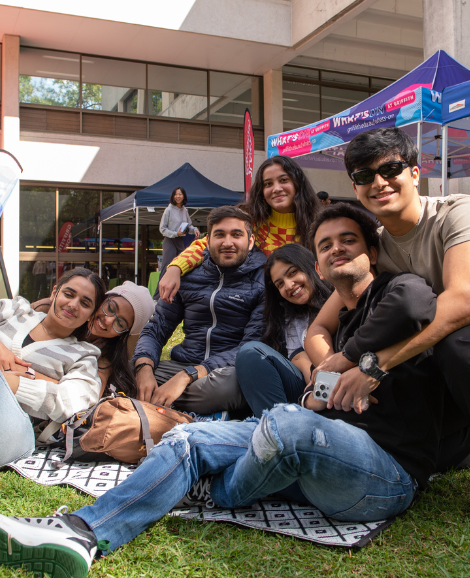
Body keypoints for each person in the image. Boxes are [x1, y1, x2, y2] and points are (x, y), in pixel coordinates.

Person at [0, 204, 448, 578]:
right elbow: (160, 329)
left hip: (385, 472)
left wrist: (356, 362)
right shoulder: (328, 322)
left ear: (373, 250)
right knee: (188, 438)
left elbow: (414, 305)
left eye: (347, 241)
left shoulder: (396, 287)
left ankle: (215, 489)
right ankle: (81, 531)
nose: (336, 250)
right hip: (314, 447)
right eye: (326, 245)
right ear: (319, 262)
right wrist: (145, 364)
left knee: (283, 423)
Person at [305, 128, 470, 467]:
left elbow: (462, 302)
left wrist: (370, 364)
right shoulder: (374, 248)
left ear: (414, 172)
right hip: (438, 379)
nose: (379, 182)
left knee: (454, 342)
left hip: (461, 344)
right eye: (365, 175)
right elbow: (319, 327)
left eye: (391, 170)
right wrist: (333, 371)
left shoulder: (455, 214)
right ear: (355, 188)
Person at [133, 205, 266, 415]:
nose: (228, 242)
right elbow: (156, 328)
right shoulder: (187, 276)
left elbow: (252, 345)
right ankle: (169, 405)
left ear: (250, 242)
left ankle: (158, 405)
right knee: (129, 373)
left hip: (225, 372)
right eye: (219, 235)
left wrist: (188, 376)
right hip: (182, 364)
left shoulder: (263, 281)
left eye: (236, 235)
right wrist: (144, 368)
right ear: (208, 241)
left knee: (230, 388)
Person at [158, 155, 320, 303]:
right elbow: (206, 245)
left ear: (297, 183)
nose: (276, 188)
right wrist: (175, 268)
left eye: (283, 180)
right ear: (262, 191)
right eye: (268, 184)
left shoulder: (318, 224)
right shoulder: (249, 220)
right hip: (260, 313)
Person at [0, 268, 105, 467]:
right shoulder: (17, 310)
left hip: (9, 427)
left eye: (85, 303)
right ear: (54, 292)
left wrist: (13, 383)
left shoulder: (83, 356)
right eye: (68, 294)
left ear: (91, 316)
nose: (73, 305)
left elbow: (70, 402)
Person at [235, 244, 332, 417]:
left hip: (345, 384)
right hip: (311, 387)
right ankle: (276, 427)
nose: (288, 285)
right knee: (250, 353)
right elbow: (297, 355)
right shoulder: (293, 315)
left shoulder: (339, 300)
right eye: (280, 284)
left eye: (292, 273)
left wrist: (326, 384)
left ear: (312, 266)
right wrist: (315, 385)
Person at [33, 281, 155, 398]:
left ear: (123, 334)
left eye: (120, 323)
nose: (108, 320)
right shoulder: (52, 308)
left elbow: (87, 396)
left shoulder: (104, 359)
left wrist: (27, 373)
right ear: (102, 300)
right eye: (110, 308)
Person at [156, 187, 200, 297]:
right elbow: (162, 229)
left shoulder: (184, 210)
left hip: (180, 240)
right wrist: (175, 234)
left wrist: (195, 229)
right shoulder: (169, 210)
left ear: (184, 196)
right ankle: (158, 296)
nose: (178, 196)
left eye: (180, 194)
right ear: (173, 196)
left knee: (182, 266)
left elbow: (189, 226)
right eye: (176, 194)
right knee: (167, 266)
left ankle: (179, 294)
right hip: (170, 240)